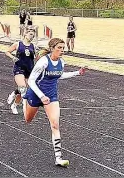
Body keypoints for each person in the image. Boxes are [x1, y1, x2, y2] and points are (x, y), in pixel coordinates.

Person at [23, 38, 87, 166]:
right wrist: (41, 96)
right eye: (59, 48)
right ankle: (23, 97)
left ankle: (58, 158)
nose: (62, 50)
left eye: (63, 48)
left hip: (51, 97)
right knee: (28, 119)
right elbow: (31, 81)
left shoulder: (61, 62)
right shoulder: (43, 62)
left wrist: (77, 73)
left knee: (55, 125)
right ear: (52, 48)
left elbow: (60, 75)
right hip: (36, 95)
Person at [5, 27, 37, 115]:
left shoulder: (33, 46)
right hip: (19, 68)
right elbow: (7, 52)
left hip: (29, 69)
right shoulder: (18, 44)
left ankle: (14, 104)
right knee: (22, 87)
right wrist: (13, 57)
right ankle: (14, 96)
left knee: (24, 89)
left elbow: (35, 57)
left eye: (33, 36)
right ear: (25, 34)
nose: (31, 37)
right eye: (30, 34)